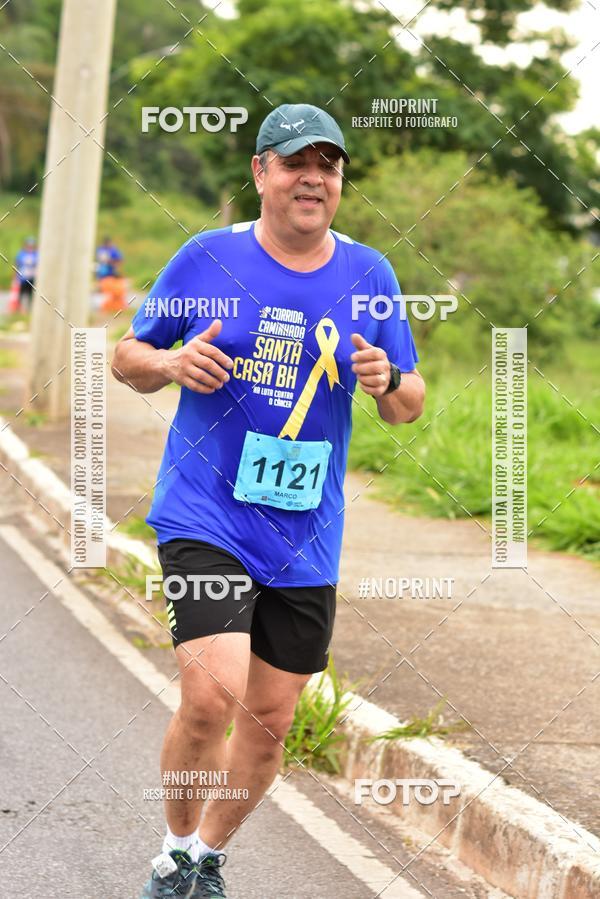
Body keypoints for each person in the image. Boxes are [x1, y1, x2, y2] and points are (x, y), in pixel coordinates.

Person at [111, 102, 425, 899]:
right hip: (206, 512)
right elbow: (127, 354)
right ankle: (173, 851)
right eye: (294, 162)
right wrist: (173, 364)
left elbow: (409, 400)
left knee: (271, 723)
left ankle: (207, 856)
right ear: (261, 173)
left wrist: (388, 383)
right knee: (211, 694)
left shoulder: (371, 275)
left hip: (305, 534)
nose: (312, 176)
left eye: (329, 164)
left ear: (340, 181)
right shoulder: (207, 257)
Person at [95, 235, 126, 311]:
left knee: (112, 290)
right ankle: (105, 305)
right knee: (105, 290)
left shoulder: (113, 250)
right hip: (103, 273)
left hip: (110, 273)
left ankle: (112, 305)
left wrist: (112, 264)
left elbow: (119, 261)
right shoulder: (101, 250)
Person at [14, 236, 38, 312]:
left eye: (32, 246)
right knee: (21, 293)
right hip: (23, 277)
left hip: (33, 277)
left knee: (31, 294)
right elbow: (17, 264)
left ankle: (29, 309)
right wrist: (15, 276)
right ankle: (19, 309)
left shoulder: (36, 254)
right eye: (28, 246)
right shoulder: (21, 254)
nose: (30, 247)